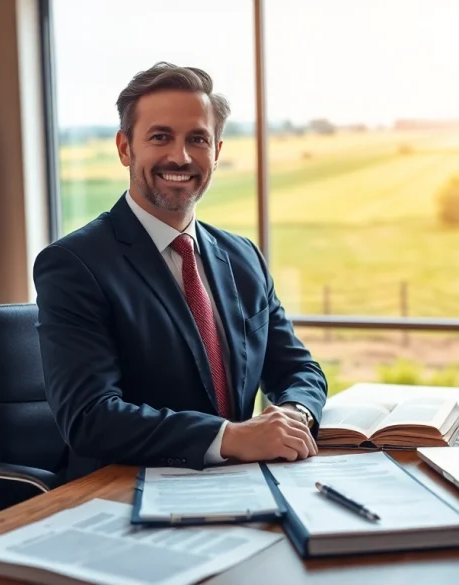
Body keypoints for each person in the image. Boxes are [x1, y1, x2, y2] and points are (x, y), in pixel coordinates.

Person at [33, 62, 327, 482]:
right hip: (125, 493)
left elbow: (299, 370)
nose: (181, 156)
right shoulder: (74, 264)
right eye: (160, 137)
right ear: (124, 148)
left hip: (242, 485)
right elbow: (90, 418)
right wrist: (231, 437)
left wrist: (294, 416)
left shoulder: (244, 257)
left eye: (197, 139)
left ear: (217, 152)